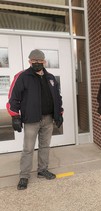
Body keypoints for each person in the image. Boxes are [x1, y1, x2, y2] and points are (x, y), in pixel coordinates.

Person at [6, 49, 63, 190]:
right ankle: (24, 176)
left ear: (44, 61)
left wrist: (59, 113)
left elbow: (57, 97)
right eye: (34, 61)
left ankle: (42, 170)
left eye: (40, 61)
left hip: (48, 119)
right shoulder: (22, 77)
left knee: (45, 146)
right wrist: (15, 116)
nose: (37, 63)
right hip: (31, 120)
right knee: (28, 149)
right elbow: (13, 98)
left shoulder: (50, 78)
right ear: (29, 61)